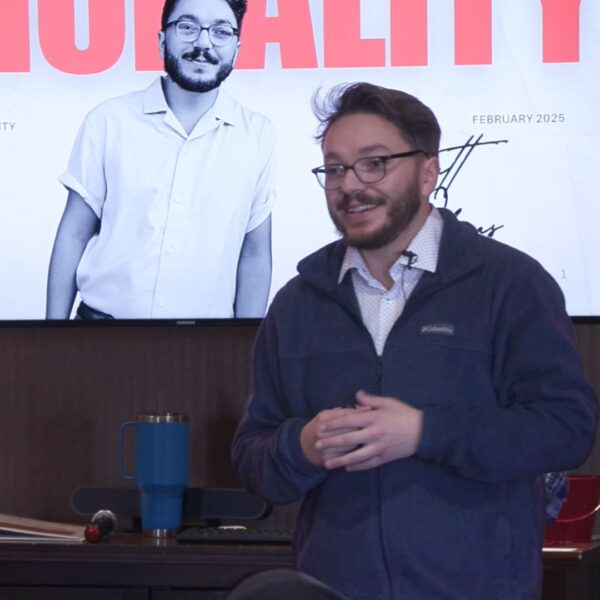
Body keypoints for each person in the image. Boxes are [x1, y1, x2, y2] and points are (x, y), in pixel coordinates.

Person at [232, 82, 598, 599]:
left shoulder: (510, 283)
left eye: (374, 163)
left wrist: (424, 433)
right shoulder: (297, 304)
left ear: (429, 172)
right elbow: (253, 458)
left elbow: (566, 429)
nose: (350, 185)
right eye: (334, 168)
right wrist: (303, 446)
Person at [46, 0, 275, 319]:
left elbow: (254, 253)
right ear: (161, 39)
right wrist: (52, 335)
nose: (203, 42)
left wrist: (244, 350)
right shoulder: (109, 121)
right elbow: (74, 233)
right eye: (187, 27)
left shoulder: (257, 135)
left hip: (204, 348)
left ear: (236, 48)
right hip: (101, 335)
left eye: (221, 31)